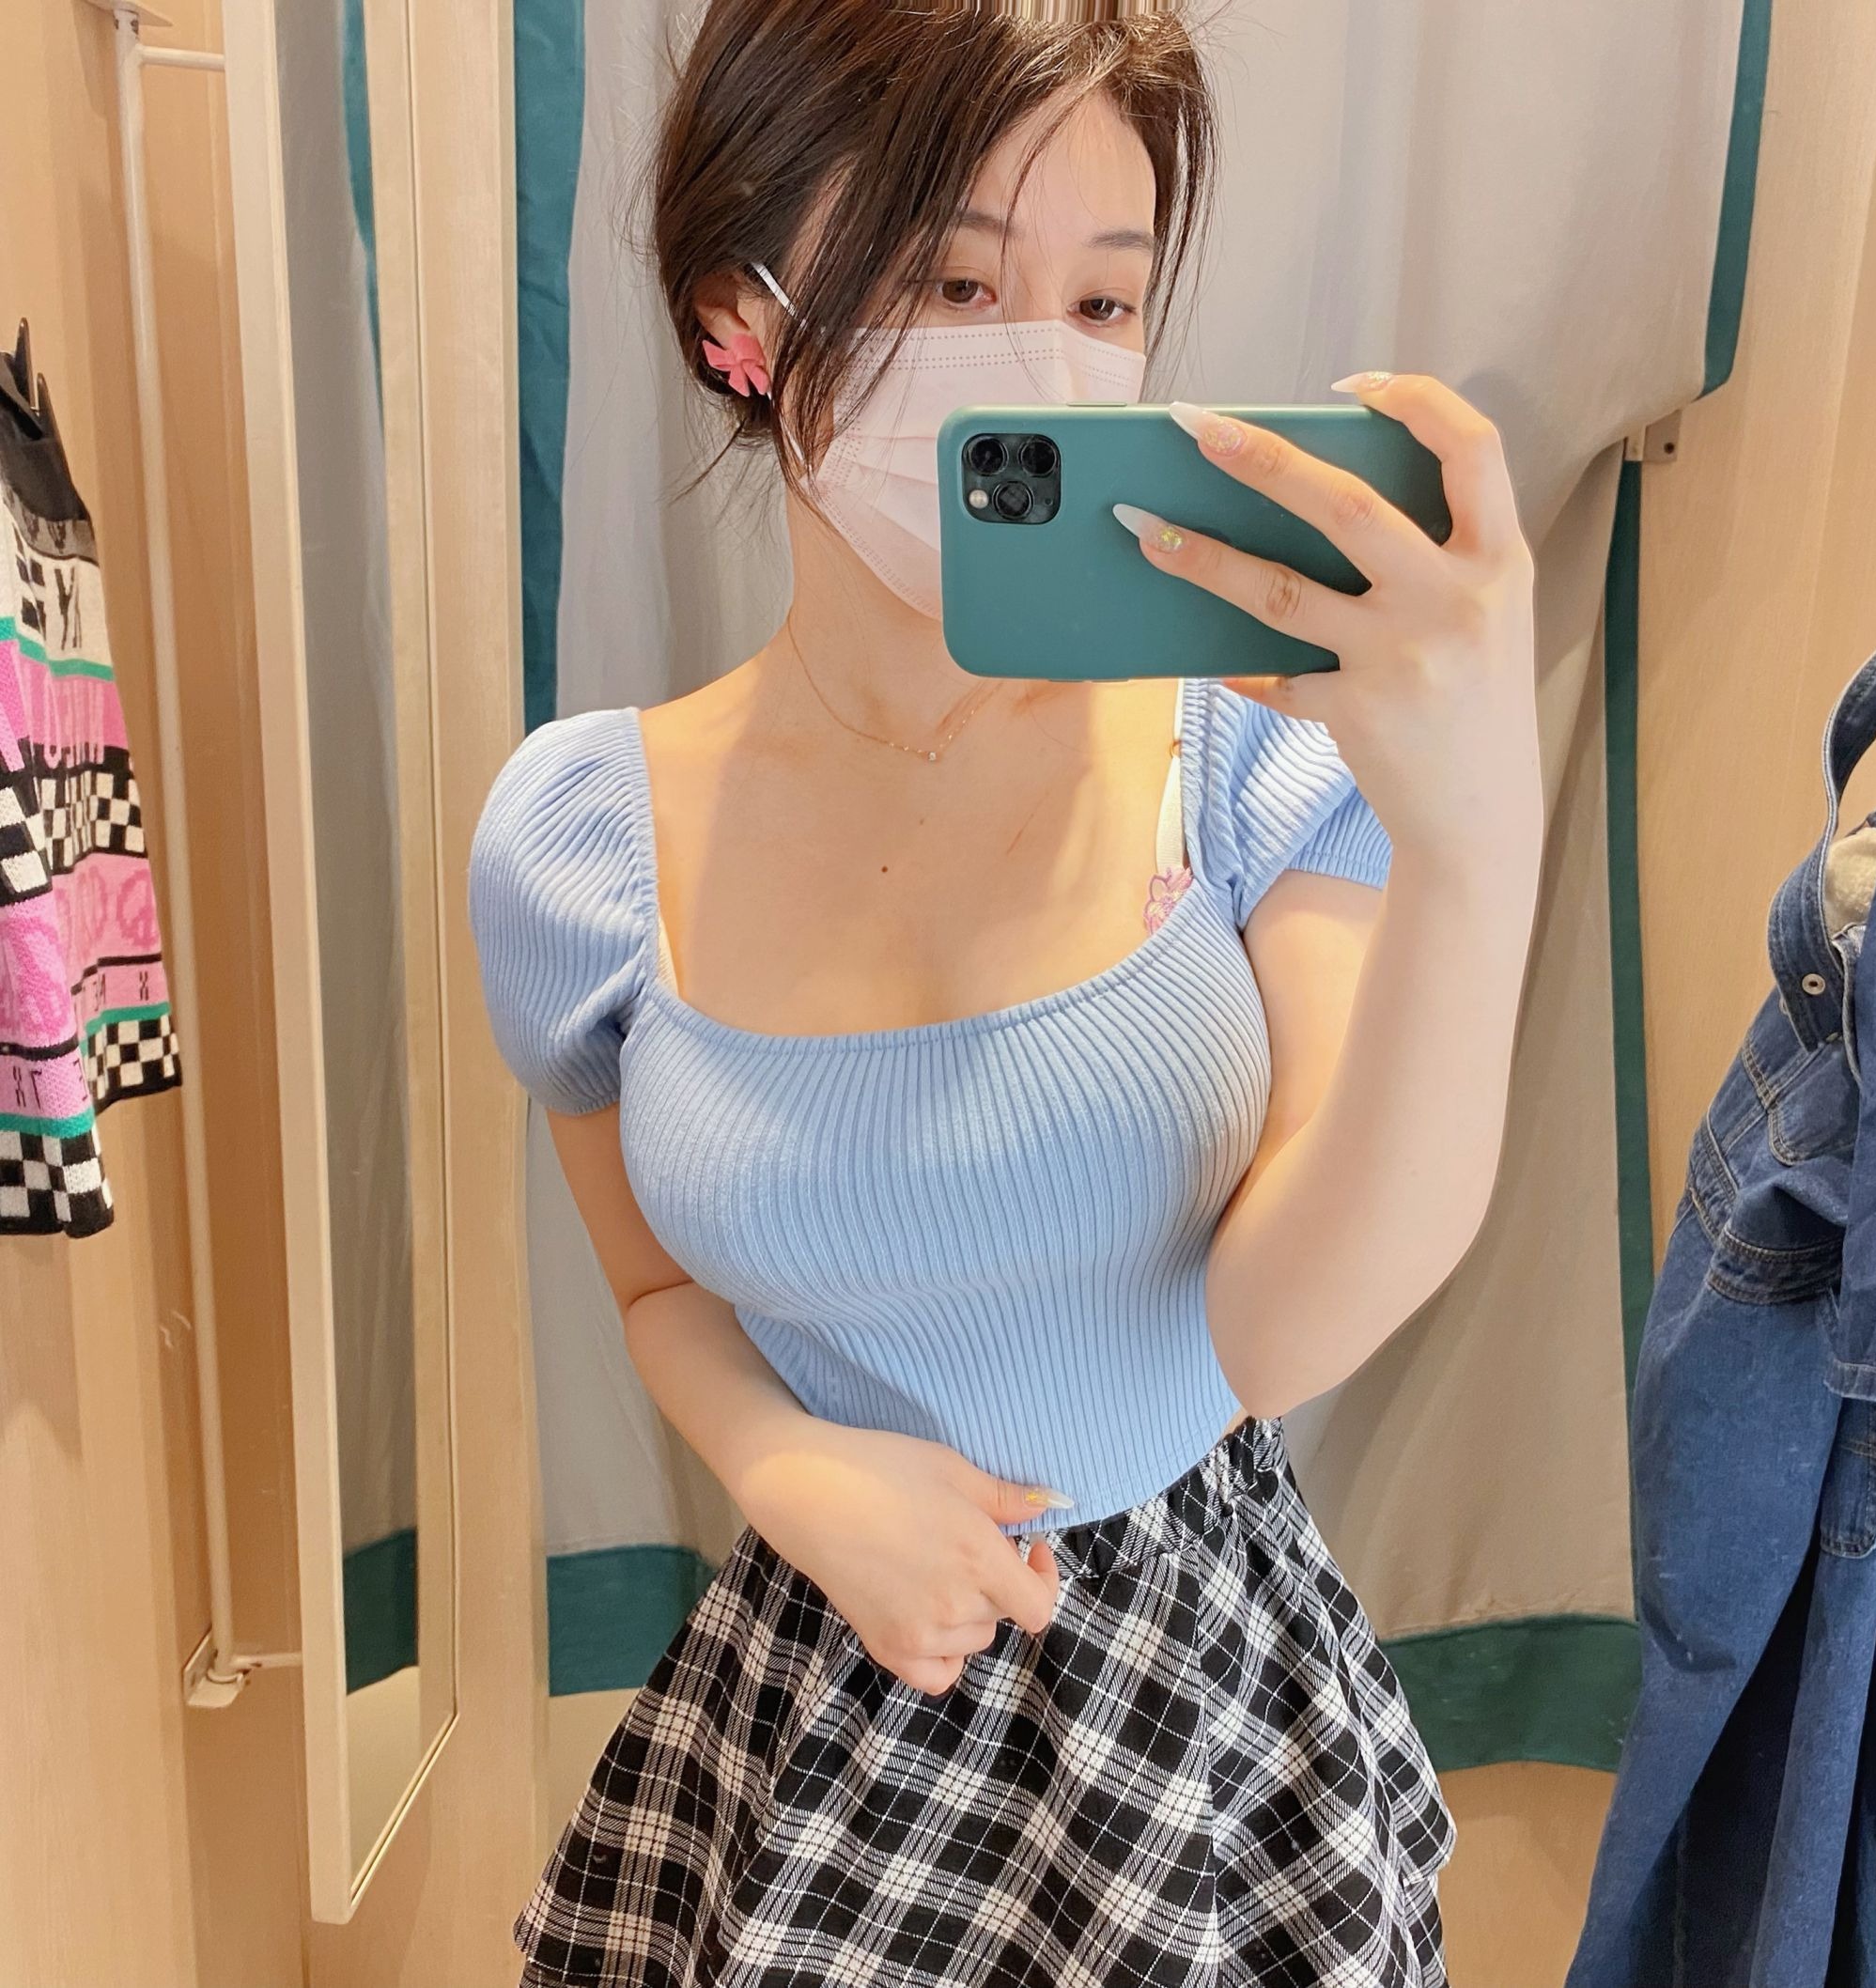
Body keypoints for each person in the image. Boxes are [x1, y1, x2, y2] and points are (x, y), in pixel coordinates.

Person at [468, 4, 1543, 1983]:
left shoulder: (1246, 756)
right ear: (738, 320)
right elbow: (654, 1290)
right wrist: (782, 1461)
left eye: (1103, 301)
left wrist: (1475, 835)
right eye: (953, 282)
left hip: (1193, 1715)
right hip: (819, 1680)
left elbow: (1283, 1326)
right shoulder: (581, 843)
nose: (1040, 366)